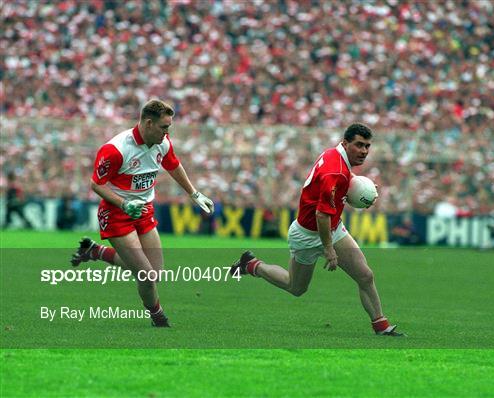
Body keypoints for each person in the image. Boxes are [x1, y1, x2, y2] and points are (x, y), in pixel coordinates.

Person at [231, 123, 404, 336]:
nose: (364, 151)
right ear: (345, 143)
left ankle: (381, 326)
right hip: (306, 234)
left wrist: (362, 191)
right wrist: (329, 249)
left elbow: (339, 187)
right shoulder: (336, 171)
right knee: (295, 287)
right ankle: (253, 266)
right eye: (359, 145)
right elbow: (321, 214)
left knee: (365, 275)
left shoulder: (335, 155)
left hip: (332, 228)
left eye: (367, 146)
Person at [71, 99, 214, 327]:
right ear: (148, 123)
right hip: (117, 213)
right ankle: (158, 317)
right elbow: (96, 184)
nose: (167, 132)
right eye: (164, 127)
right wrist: (124, 203)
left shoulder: (162, 142)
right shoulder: (116, 149)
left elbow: (173, 166)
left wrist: (194, 194)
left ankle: (96, 252)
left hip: (145, 211)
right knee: (146, 275)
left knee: (153, 272)